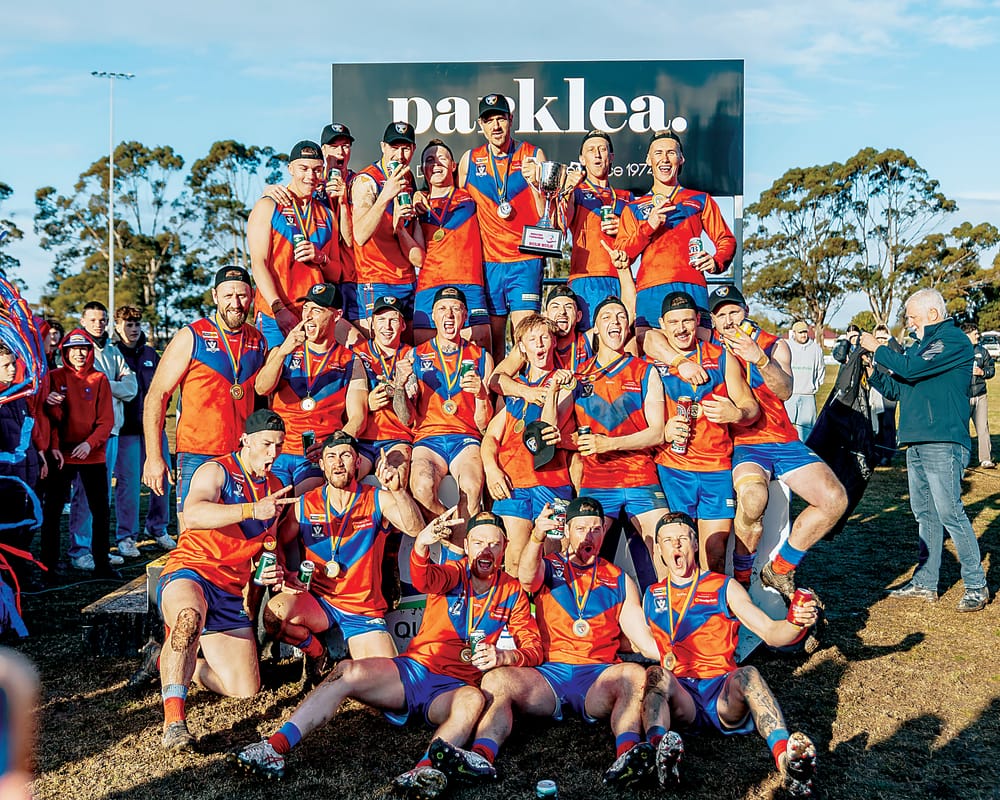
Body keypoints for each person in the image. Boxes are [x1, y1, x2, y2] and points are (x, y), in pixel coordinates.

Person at [233, 509, 543, 799]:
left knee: (473, 699)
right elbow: (423, 578)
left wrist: (505, 658)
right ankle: (273, 747)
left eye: (494, 543)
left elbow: (533, 648)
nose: (485, 550)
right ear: (467, 545)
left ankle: (423, 772)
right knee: (346, 671)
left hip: (451, 691)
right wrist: (421, 544)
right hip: (414, 671)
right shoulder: (454, 572)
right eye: (478, 542)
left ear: (505, 548)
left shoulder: (512, 590)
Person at [467, 497, 662, 789]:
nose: (588, 536)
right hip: (549, 676)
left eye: (595, 529)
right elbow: (527, 577)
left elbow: (641, 637)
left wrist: (676, 658)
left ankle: (628, 755)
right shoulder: (550, 566)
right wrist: (536, 537)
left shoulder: (620, 579)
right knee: (497, 681)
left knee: (635, 675)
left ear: (604, 532)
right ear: (567, 531)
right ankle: (481, 755)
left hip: (598, 675)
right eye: (580, 528)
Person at [641, 512, 818, 795]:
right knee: (654, 675)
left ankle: (787, 760)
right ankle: (658, 757)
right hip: (681, 697)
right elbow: (637, 643)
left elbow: (772, 632)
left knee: (749, 674)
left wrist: (795, 623)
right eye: (668, 540)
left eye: (683, 539)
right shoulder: (651, 594)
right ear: (658, 549)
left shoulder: (724, 586)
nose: (676, 546)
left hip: (722, 693)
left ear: (695, 545)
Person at [156, 409, 295, 751]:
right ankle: (174, 722)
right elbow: (194, 513)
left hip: (229, 589)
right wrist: (250, 509)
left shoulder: (275, 486)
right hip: (192, 571)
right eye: (265, 444)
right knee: (188, 619)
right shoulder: (216, 470)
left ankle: (167, 661)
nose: (272, 454)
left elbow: (267, 544)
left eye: (278, 445)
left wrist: (275, 570)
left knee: (245, 687)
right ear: (245, 441)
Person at [704, 286, 846, 594]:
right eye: (722, 314)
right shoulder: (708, 348)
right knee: (754, 499)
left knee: (835, 500)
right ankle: (742, 581)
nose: (729, 320)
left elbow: (784, 391)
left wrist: (760, 360)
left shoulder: (773, 344)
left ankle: (780, 569)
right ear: (712, 320)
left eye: (734, 311)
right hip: (744, 442)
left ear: (746, 311)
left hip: (783, 440)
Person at [861, 289, 989, 612]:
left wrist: (878, 347)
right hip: (916, 442)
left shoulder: (952, 340)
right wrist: (873, 369)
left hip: (943, 441)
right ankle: (925, 582)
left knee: (950, 512)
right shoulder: (920, 346)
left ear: (932, 314)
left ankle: (976, 584)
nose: (909, 321)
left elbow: (912, 369)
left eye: (912, 316)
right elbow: (899, 387)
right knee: (925, 514)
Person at [263, 431, 424, 680]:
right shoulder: (306, 503)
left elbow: (415, 529)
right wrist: (283, 571)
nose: (338, 462)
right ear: (322, 465)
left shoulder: (376, 497)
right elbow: (277, 542)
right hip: (319, 601)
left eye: (345, 455)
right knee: (274, 617)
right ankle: (317, 653)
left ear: (358, 462)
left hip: (363, 610)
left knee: (388, 682)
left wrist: (399, 491)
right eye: (331, 457)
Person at [142, 266, 268, 532]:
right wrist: (154, 457)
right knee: (193, 532)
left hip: (241, 454)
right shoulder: (193, 336)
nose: (236, 303)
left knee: (241, 530)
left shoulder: (258, 341)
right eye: (228, 295)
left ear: (253, 295)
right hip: (198, 453)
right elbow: (156, 396)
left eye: (243, 296)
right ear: (215, 296)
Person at [652, 292, 759, 572]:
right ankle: (680, 612)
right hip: (673, 469)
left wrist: (736, 413)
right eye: (673, 322)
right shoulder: (654, 357)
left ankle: (711, 611)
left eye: (687, 320)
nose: (681, 328)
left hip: (715, 468)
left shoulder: (721, 357)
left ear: (698, 320)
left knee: (714, 554)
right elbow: (644, 339)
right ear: (662, 324)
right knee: (679, 554)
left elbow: (751, 407)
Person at [573, 295, 667, 587]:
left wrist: (608, 444)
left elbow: (658, 432)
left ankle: (669, 627)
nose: (615, 322)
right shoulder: (578, 375)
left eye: (621, 317)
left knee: (667, 546)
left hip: (640, 476)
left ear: (628, 327)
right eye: (607, 317)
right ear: (596, 329)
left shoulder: (644, 370)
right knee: (580, 558)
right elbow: (557, 427)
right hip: (598, 481)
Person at [613, 130, 735, 348]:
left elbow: (726, 240)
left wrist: (716, 261)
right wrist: (649, 226)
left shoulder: (699, 200)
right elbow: (623, 255)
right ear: (648, 160)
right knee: (649, 348)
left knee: (701, 350)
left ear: (681, 159)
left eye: (671, 152)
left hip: (692, 285)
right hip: (651, 288)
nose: (665, 158)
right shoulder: (634, 209)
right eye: (658, 153)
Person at [481, 314, 574, 574]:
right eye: (532, 340)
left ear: (554, 341)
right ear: (522, 348)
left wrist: (553, 390)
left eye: (545, 337)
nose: (540, 344)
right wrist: (491, 469)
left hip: (551, 484)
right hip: (513, 485)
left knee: (555, 559)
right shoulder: (514, 387)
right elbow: (491, 437)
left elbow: (547, 432)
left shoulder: (564, 382)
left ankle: (553, 613)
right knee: (512, 561)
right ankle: (519, 614)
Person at [253, 282, 367, 494]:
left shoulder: (351, 361)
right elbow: (261, 388)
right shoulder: (283, 351)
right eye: (305, 308)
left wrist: (331, 447)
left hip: (315, 455)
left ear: (336, 315)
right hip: (278, 450)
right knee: (269, 507)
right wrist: (282, 352)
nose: (308, 316)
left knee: (299, 509)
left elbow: (358, 418)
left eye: (317, 310)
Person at [458, 93, 547, 362]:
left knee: (526, 338)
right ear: (480, 125)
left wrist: (537, 185)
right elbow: (456, 208)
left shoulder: (532, 154)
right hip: (489, 263)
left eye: (501, 119)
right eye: (489, 121)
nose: (496, 126)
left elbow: (546, 213)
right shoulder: (470, 160)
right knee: (492, 344)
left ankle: (522, 395)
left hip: (525, 260)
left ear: (511, 120)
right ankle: (499, 400)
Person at [409, 287, 494, 534]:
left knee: (471, 487)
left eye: (456, 309)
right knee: (422, 488)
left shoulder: (481, 357)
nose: (449, 315)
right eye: (443, 309)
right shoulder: (416, 355)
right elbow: (407, 416)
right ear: (433, 316)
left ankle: (459, 553)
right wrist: (402, 389)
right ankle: (453, 539)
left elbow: (484, 425)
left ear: (465, 315)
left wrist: (480, 394)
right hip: (428, 439)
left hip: (465, 439)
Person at [248, 140, 341, 349]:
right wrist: (278, 308)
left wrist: (321, 258)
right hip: (274, 314)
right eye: (304, 168)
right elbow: (258, 263)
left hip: (313, 316)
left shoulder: (327, 215)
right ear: (291, 169)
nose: (311, 176)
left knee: (312, 380)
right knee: (273, 377)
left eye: (317, 170)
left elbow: (336, 274)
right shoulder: (268, 205)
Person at [40, 331, 117, 578]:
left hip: (92, 454)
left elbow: (107, 421)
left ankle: (102, 564)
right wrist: (53, 442)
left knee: (100, 510)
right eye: (74, 349)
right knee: (52, 510)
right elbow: (48, 419)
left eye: (84, 348)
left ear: (90, 350)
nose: (79, 353)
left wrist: (90, 444)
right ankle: (49, 565)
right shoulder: (54, 377)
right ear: (65, 352)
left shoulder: (100, 379)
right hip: (61, 453)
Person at [68, 301, 136, 568]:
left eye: (103, 319)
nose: (99, 324)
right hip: (86, 436)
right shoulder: (75, 350)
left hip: (113, 431)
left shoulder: (112, 351)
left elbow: (130, 388)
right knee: (84, 493)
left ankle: (99, 549)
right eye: (93, 319)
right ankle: (79, 551)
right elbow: (80, 388)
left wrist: (104, 382)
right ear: (83, 321)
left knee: (102, 496)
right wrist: (106, 383)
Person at [414, 138, 490, 350]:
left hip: (469, 281)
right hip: (430, 282)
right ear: (423, 170)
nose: (436, 164)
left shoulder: (469, 195)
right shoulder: (416, 204)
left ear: (454, 165)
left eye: (442, 158)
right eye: (430, 160)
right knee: (425, 351)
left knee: (480, 347)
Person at [350, 121, 425, 335]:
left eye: (406, 148)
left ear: (413, 150)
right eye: (394, 147)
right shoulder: (367, 180)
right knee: (379, 349)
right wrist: (385, 195)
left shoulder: (408, 177)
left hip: (407, 279)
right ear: (383, 147)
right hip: (376, 279)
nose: (399, 155)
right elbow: (360, 235)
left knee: (407, 349)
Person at [112, 305, 175, 555]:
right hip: (126, 430)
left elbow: (164, 387)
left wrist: (160, 411)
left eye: (137, 324)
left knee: (163, 480)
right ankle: (126, 536)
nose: (134, 329)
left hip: (154, 428)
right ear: (117, 327)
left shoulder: (151, 353)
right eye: (128, 324)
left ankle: (158, 528)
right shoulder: (113, 354)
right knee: (129, 485)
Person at [563, 131, 636, 329]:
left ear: (611, 157)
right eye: (590, 150)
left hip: (621, 276)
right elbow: (562, 222)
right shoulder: (575, 191)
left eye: (602, 149)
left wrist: (622, 228)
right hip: (585, 277)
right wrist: (568, 189)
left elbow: (639, 240)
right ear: (582, 159)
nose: (597, 154)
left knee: (623, 338)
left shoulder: (626, 197)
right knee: (586, 341)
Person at [353, 295, 416, 482]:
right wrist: (365, 405)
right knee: (345, 477)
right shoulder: (356, 353)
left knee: (395, 478)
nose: (387, 327)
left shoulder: (413, 356)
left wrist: (398, 389)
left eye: (393, 320)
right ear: (372, 323)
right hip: (361, 439)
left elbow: (408, 418)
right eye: (381, 319)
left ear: (403, 325)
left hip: (397, 438)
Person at [0, 343, 47, 587]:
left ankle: (19, 575)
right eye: (5, 365)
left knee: (24, 527)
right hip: (6, 479)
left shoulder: (19, 397)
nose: (11, 370)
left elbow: (28, 431)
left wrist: (39, 457)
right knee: (7, 530)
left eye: (13, 364)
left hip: (26, 475)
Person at [962, 321, 994, 469]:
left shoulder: (983, 351)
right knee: (962, 429)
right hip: (963, 396)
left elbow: (991, 369)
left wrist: (983, 372)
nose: (978, 336)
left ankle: (985, 459)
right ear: (967, 335)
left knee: (983, 428)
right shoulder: (958, 351)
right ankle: (963, 460)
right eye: (975, 334)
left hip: (980, 395)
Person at [870, 325, 900, 466]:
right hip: (873, 391)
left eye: (883, 337)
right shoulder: (871, 352)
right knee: (875, 422)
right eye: (878, 337)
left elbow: (899, 353)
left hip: (888, 391)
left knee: (887, 423)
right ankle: (876, 451)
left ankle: (887, 454)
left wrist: (890, 339)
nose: (881, 340)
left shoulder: (890, 351)